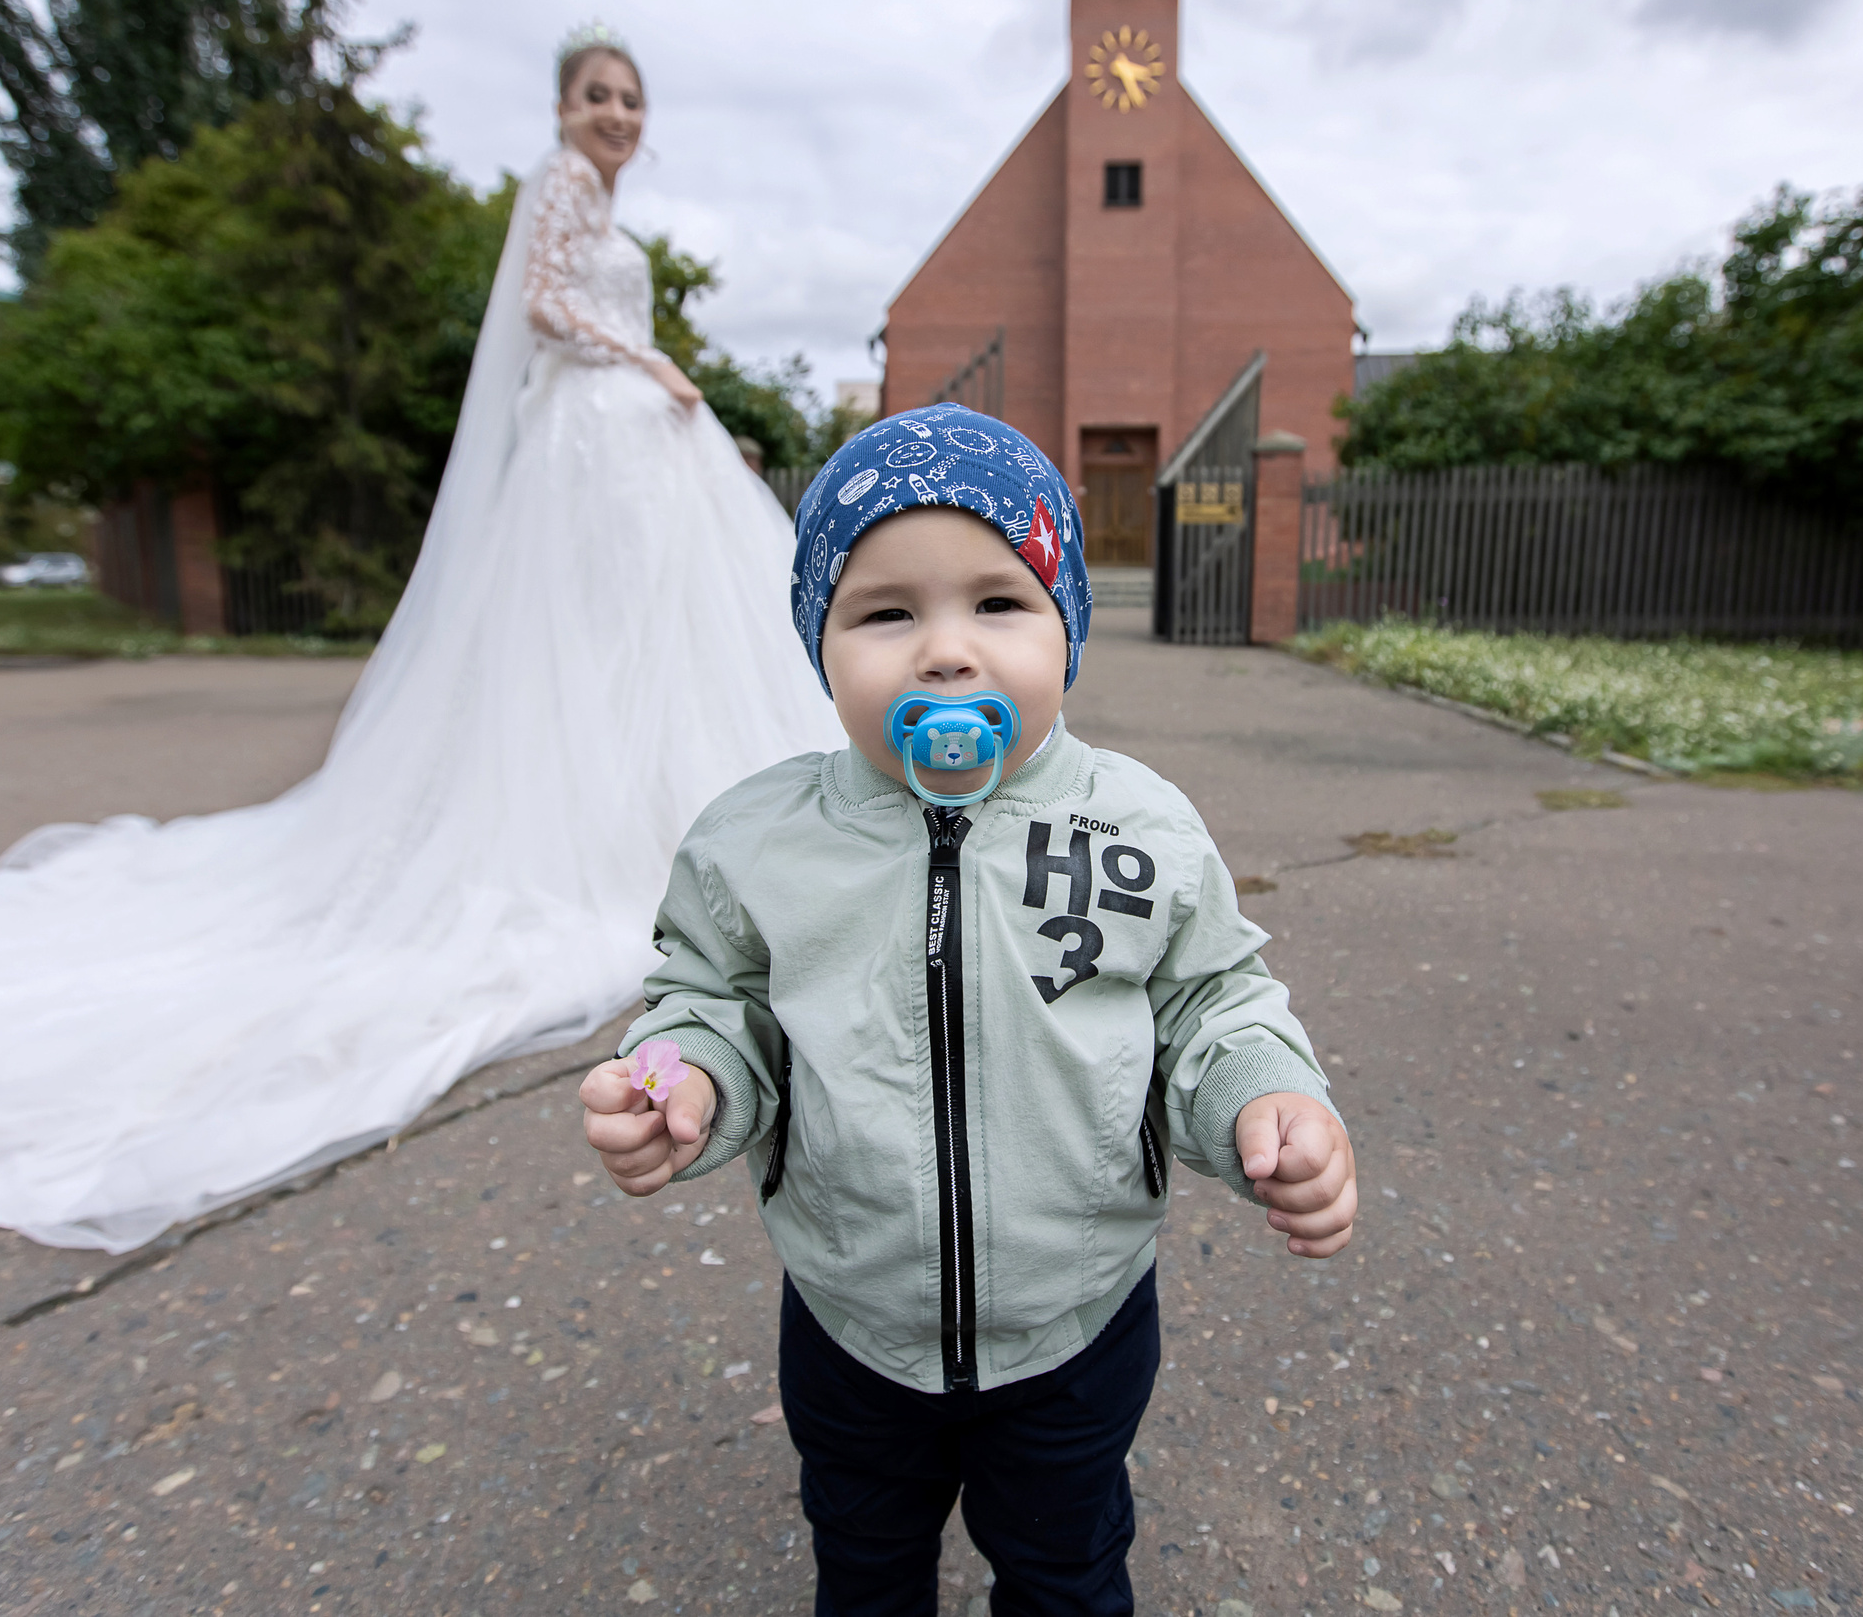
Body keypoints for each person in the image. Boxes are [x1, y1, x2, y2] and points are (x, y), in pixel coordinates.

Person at [0, 26, 841, 1253]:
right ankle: (623, 835)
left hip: (626, 437)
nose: (615, 114)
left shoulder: (599, 200)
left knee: (645, 646)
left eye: (630, 98)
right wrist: (654, 362)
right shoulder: (561, 188)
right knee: (598, 646)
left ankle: (657, 821)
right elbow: (544, 305)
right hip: (595, 432)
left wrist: (656, 379)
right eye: (596, 95)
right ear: (564, 110)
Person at [579, 405, 1358, 1617]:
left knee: (1064, 1567)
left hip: (1075, 1315)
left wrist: (1266, 1093)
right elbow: (712, 996)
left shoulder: (1139, 825)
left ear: (1066, 627)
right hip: (852, 1314)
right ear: (821, 646)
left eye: (998, 603)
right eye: (886, 612)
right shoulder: (758, 840)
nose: (945, 653)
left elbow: (1212, 997)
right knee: (865, 1562)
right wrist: (686, 1078)